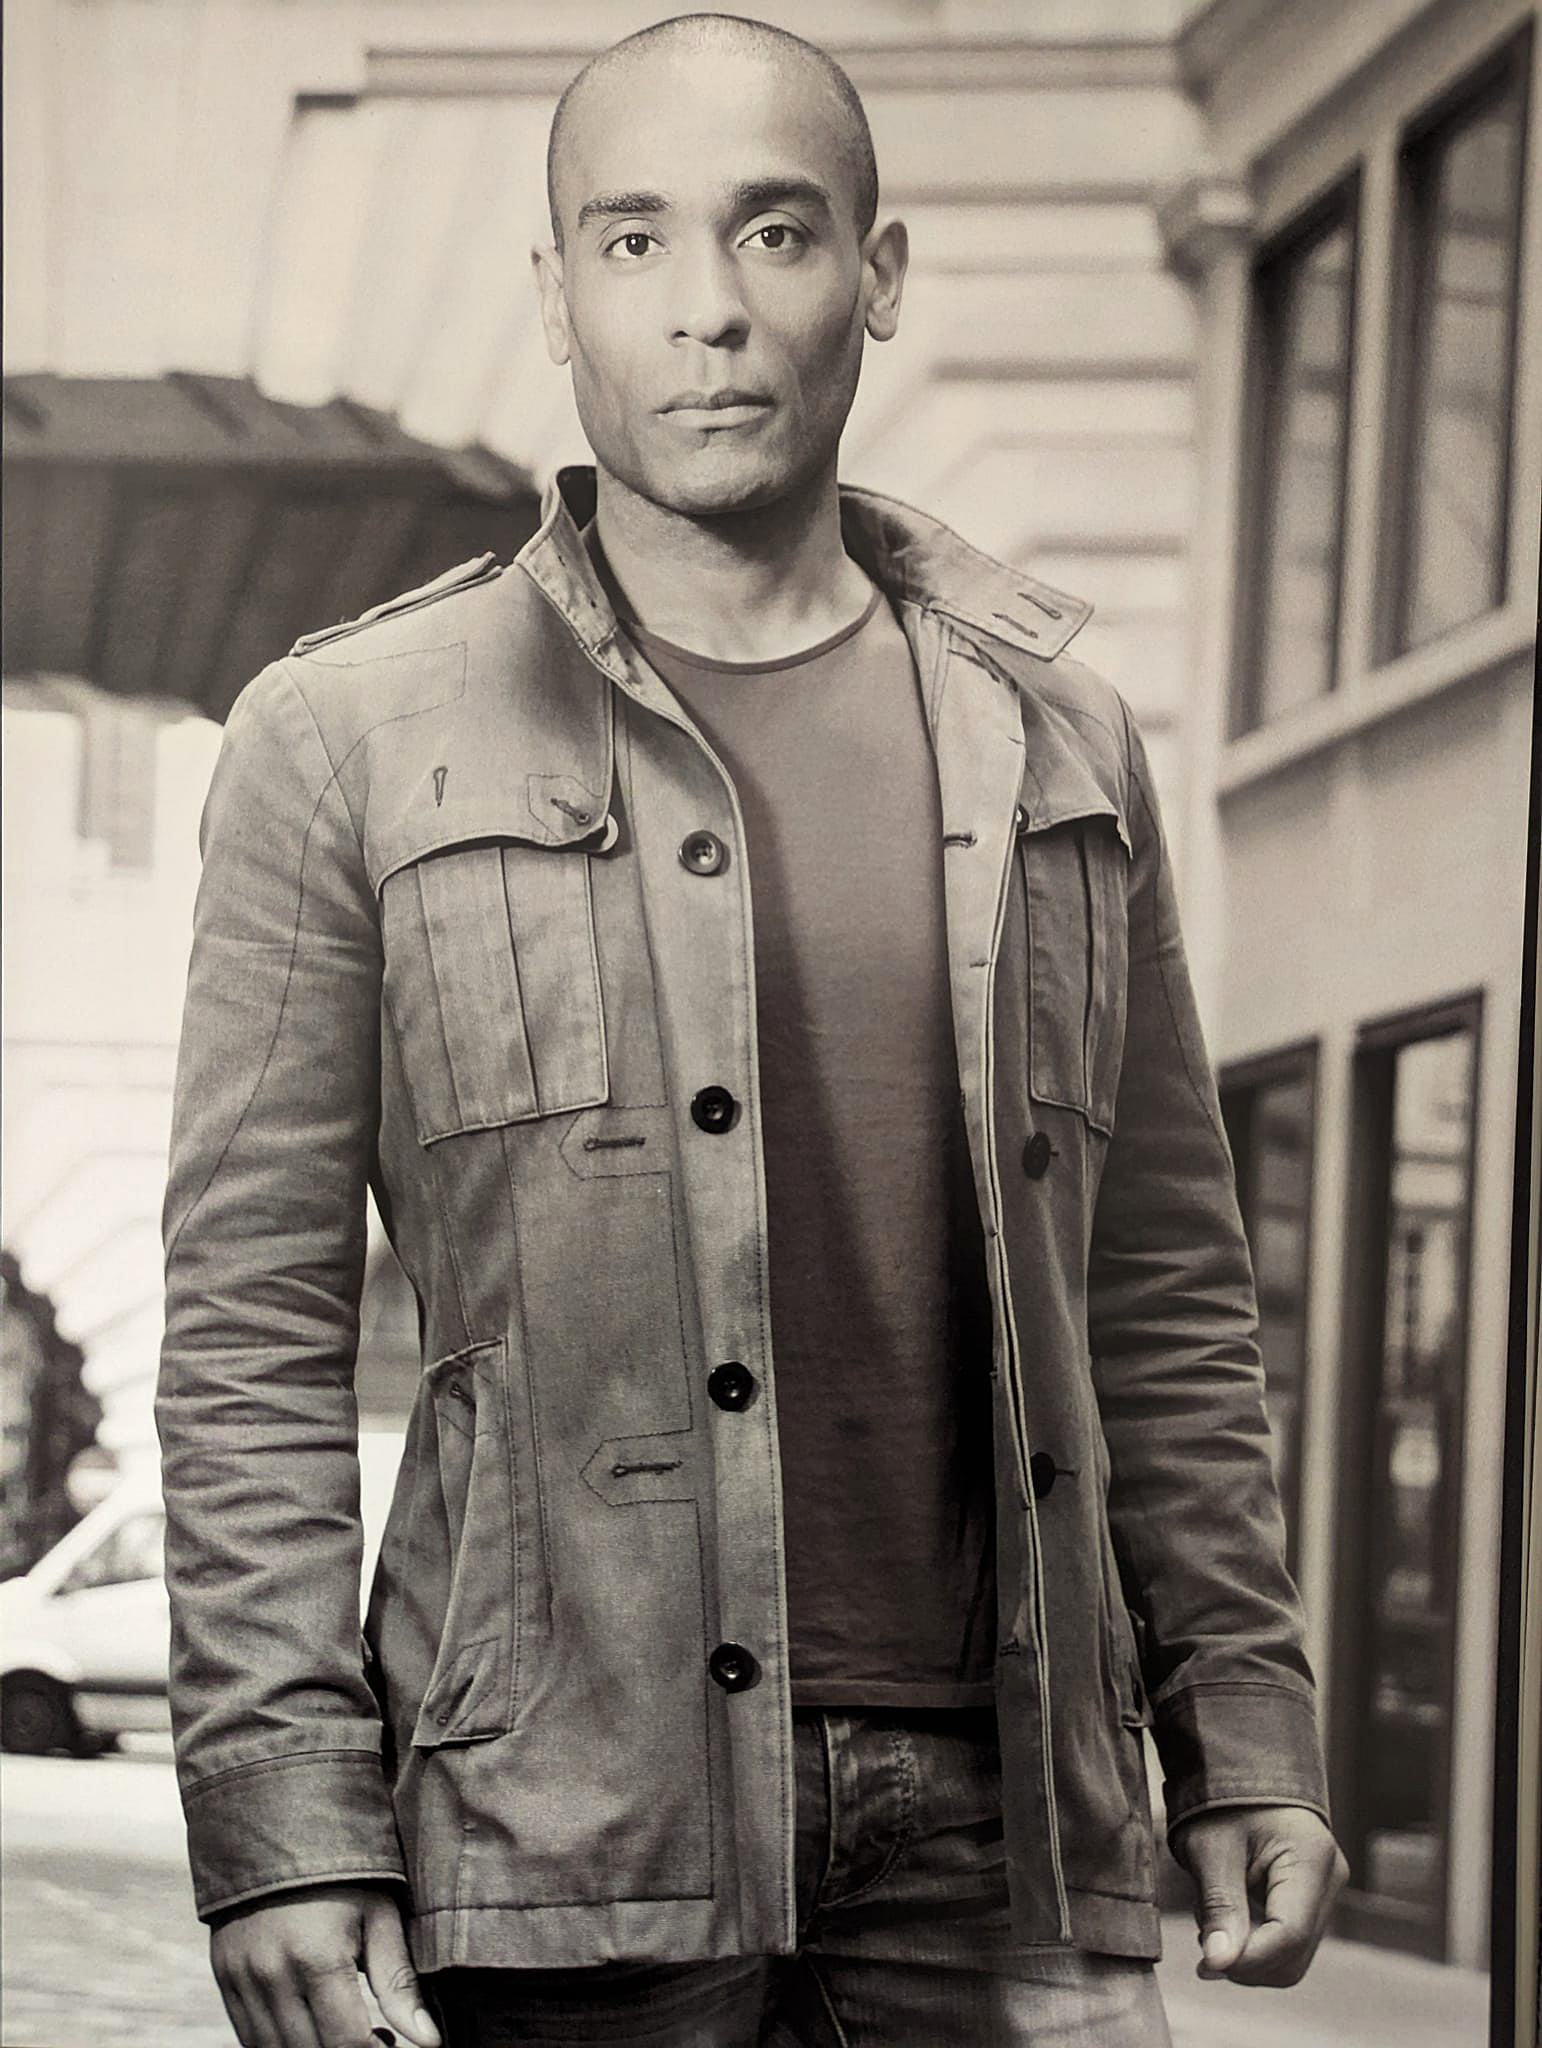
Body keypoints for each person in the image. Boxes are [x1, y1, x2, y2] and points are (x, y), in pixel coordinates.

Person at [156, 14, 1348, 2047]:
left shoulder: (1057, 736)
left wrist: (1243, 1720)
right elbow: (249, 1327)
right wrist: (283, 1814)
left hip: (1008, 1842)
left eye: (776, 232)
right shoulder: (343, 740)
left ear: (877, 274)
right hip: (557, 1834)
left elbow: (1160, 1290)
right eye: (634, 243)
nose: (706, 310)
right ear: (554, 298)